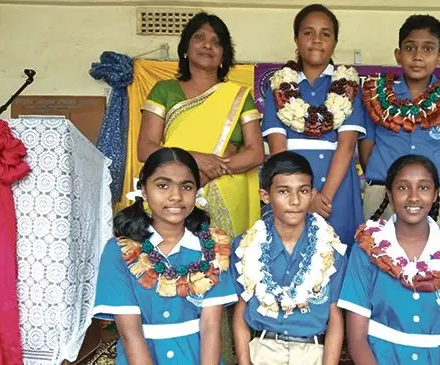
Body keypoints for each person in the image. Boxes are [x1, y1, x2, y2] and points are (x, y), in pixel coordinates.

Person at [338, 154, 440, 364]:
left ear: (436, 195)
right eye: (402, 188)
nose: (413, 197)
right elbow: (356, 338)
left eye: (424, 187)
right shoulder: (367, 249)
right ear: (389, 195)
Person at [92, 147, 238, 364]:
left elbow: (210, 327)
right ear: (143, 190)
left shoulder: (213, 249)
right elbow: (131, 334)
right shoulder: (119, 251)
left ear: (196, 191)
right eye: (162, 185)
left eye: (186, 186)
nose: (176, 196)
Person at [137, 11, 264, 239]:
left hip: (227, 192)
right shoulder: (164, 90)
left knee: (225, 262)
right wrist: (194, 161)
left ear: (224, 55)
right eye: (199, 38)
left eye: (216, 42)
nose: (208, 45)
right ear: (185, 48)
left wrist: (212, 170)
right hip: (173, 188)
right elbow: (146, 148)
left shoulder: (239, 96)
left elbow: (255, 154)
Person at [261, 4, 364, 248]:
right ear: (296, 39)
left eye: (325, 34)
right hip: (290, 190)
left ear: (335, 42)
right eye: (308, 33)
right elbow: (278, 149)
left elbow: (347, 146)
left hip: (336, 192)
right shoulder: (278, 87)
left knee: (337, 257)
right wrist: (306, 197)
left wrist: (322, 197)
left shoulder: (348, 86)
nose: (317, 40)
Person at [231, 151, 348, 365]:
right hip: (262, 350)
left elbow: (335, 315)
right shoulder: (245, 246)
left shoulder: (331, 248)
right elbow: (241, 310)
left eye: (303, 191)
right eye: (284, 191)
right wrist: (244, 361)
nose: (295, 201)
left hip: (313, 352)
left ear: (312, 194)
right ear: (265, 195)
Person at [359, 15, 440, 227]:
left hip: (432, 199)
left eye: (428, 49)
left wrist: (431, 190)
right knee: (376, 255)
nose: (418, 56)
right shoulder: (377, 95)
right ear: (398, 55)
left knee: (433, 258)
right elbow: (366, 152)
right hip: (381, 193)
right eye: (410, 48)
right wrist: (388, 186)